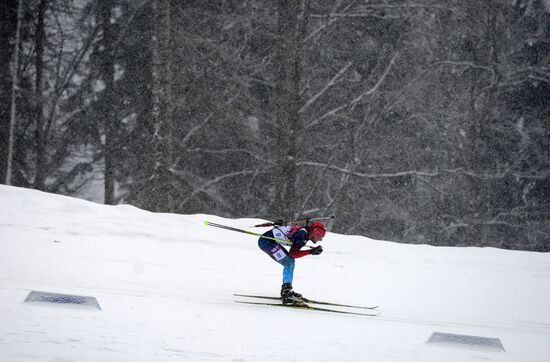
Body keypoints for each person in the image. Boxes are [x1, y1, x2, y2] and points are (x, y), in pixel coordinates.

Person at [258, 221, 326, 305]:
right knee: (289, 263)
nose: (321, 239)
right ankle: (286, 294)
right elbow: (293, 254)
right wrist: (310, 251)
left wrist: (311, 251)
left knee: (289, 262)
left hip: (269, 241)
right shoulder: (302, 235)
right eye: (320, 236)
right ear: (315, 232)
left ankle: (286, 291)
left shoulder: (305, 233)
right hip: (266, 242)